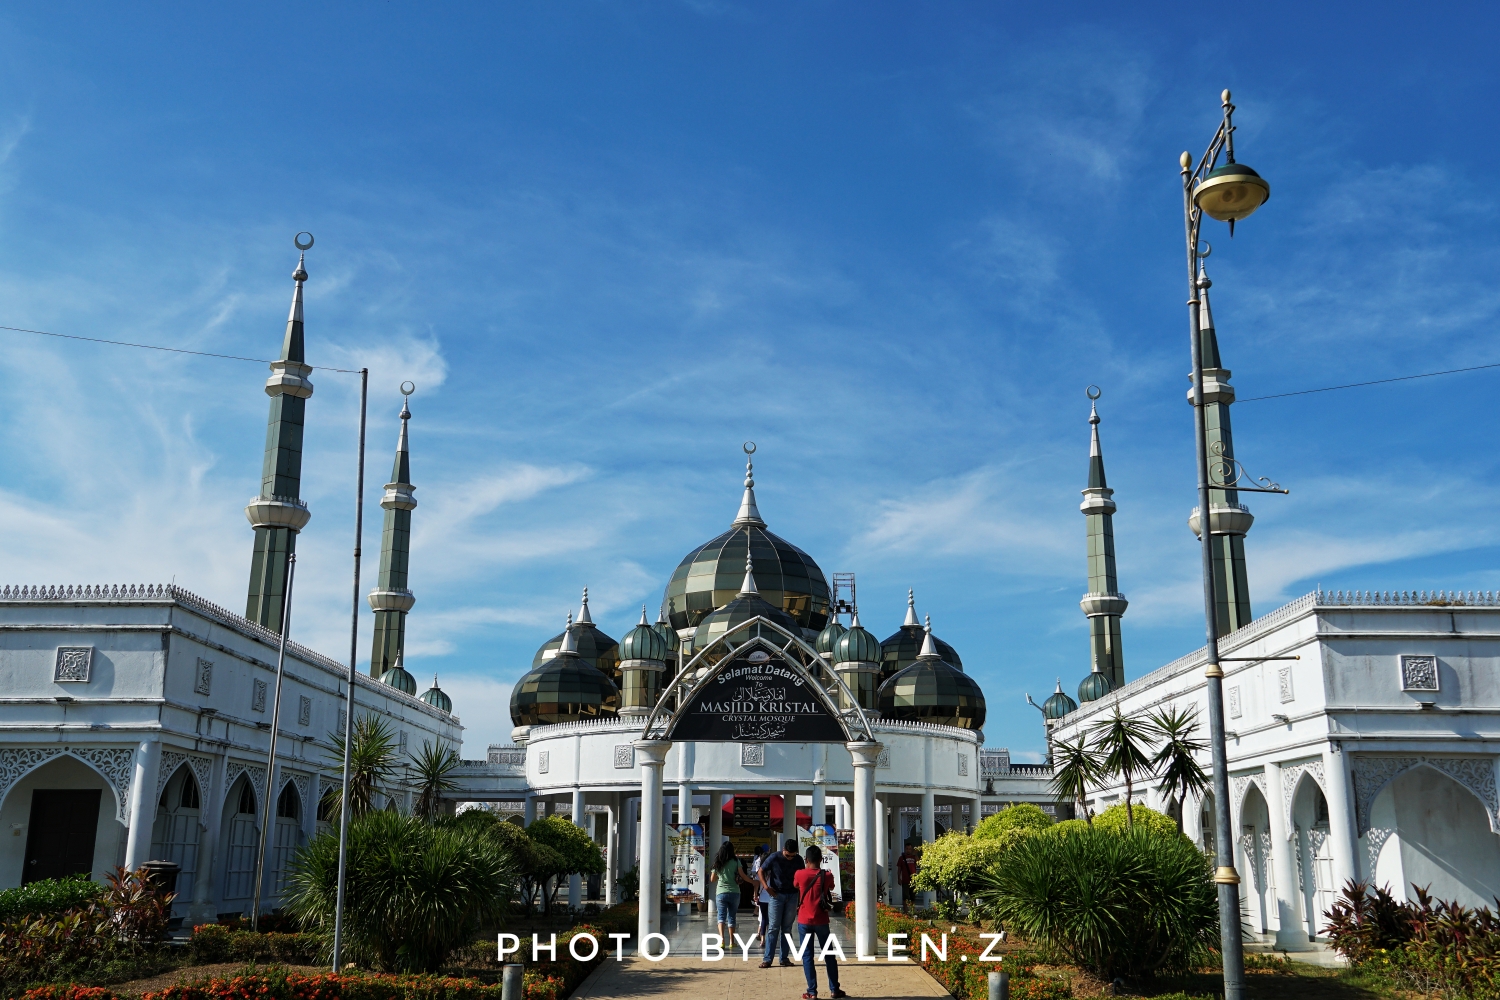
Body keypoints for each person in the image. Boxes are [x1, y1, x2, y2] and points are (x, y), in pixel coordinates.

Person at [794, 844, 846, 999]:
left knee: (807, 955)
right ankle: (834, 989)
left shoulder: (799, 874)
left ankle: (812, 991)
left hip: (804, 920)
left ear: (806, 859)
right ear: (821, 859)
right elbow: (831, 887)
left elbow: (795, 885)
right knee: (829, 954)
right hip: (822, 920)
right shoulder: (827, 875)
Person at [758, 838, 804, 967]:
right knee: (773, 927)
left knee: (787, 928)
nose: (790, 858)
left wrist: (801, 899)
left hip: (793, 895)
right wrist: (766, 887)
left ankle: (784, 958)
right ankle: (767, 959)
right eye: (787, 855)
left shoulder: (799, 860)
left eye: (792, 856)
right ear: (783, 850)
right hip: (776, 895)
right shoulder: (774, 857)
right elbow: (761, 870)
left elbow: (802, 878)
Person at [709, 840, 755, 947]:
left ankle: (721, 941)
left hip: (721, 892)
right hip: (735, 892)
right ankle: (731, 942)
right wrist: (753, 882)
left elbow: (712, 879)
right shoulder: (736, 861)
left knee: (721, 916)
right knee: (732, 916)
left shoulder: (717, 863)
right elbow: (742, 875)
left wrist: (720, 876)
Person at [749, 844, 771, 943]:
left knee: (763, 918)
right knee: (771, 920)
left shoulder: (759, 869)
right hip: (773, 897)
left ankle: (762, 938)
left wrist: (755, 894)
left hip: (763, 896)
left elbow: (756, 883)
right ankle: (768, 937)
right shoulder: (773, 868)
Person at [895, 843, 919, 911]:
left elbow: (919, 862)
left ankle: (912, 911)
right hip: (905, 880)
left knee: (913, 897)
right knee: (905, 897)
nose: (908, 850)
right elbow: (899, 869)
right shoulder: (901, 858)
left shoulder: (913, 857)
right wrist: (898, 878)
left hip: (913, 880)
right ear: (905, 849)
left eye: (909, 849)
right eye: (907, 849)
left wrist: (915, 854)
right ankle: (905, 911)